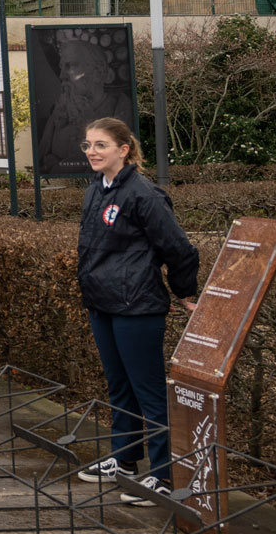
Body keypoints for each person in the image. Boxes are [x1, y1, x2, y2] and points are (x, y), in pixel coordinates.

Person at [73, 117, 200, 507]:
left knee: (148, 393)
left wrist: (184, 292)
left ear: (124, 150)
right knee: (119, 386)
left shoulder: (145, 194)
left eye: (101, 145)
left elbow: (178, 249)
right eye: (88, 145)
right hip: (102, 303)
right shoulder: (97, 188)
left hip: (136, 307)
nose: (92, 152)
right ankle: (124, 460)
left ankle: (165, 475)